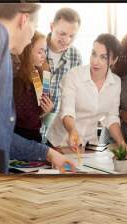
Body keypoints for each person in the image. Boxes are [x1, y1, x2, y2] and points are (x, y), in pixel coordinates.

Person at [0, 3, 76, 174]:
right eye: (35, 26)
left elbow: (0, 135)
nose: (31, 36)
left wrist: (49, 154)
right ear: (24, 19)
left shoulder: (2, 53)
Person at [46, 34, 125, 149]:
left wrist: (122, 144)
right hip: (60, 142)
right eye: (94, 54)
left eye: (103, 57)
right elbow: (67, 111)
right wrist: (73, 132)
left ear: (114, 60)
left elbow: (112, 117)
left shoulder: (116, 82)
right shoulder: (73, 76)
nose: (95, 61)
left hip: (89, 144)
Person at [42, 8, 83, 139]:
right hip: (32, 122)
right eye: (62, 34)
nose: (67, 40)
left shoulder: (75, 56)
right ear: (51, 26)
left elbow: (76, 94)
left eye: (72, 36)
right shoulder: (37, 48)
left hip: (58, 130)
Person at [12, 31, 53, 143]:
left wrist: (46, 110)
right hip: (16, 136)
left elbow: (38, 114)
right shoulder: (16, 79)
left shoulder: (42, 76)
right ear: (27, 51)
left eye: (45, 51)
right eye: (40, 52)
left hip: (35, 136)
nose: (44, 56)